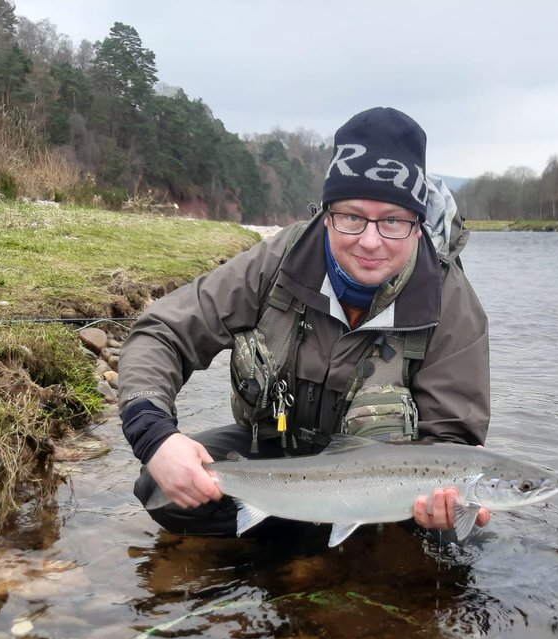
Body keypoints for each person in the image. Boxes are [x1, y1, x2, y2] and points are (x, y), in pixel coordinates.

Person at [117, 106, 491, 539]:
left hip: (383, 485)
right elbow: (163, 332)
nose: (370, 241)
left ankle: (329, 559)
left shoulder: (453, 303)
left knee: (451, 529)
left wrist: (446, 499)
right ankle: (292, 553)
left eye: (392, 220)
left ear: (417, 225)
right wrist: (156, 436)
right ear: (326, 212)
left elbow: (451, 439)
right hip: (278, 455)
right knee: (159, 483)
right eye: (352, 216)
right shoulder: (281, 260)